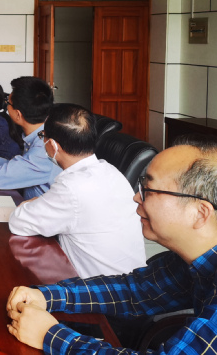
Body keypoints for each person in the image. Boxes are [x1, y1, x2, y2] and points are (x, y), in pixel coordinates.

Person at [6, 135, 217, 354]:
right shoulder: (204, 255)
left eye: (148, 188)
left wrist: (50, 335)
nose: (137, 197)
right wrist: (48, 295)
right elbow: (136, 291)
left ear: (200, 213)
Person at [9, 103, 146, 278]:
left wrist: (32, 203)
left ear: (52, 145)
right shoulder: (110, 170)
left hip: (102, 289)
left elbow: (18, 222)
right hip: (131, 281)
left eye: (43, 136)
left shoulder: (71, 187)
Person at [0, 76, 61, 199]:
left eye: (8, 103)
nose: (6, 107)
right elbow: (24, 167)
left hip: (39, 210)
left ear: (18, 114)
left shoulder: (44, 149)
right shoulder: (42, 135)